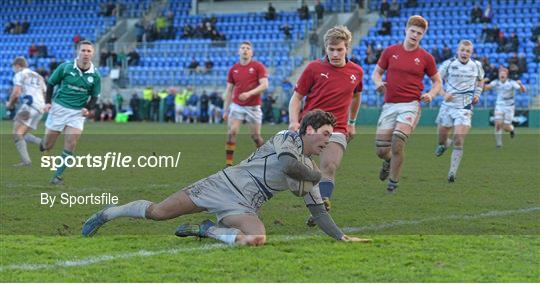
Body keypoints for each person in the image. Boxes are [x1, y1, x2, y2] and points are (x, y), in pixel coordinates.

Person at [82, 110, 370, 245]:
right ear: (309, 130)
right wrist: (317, 174)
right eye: (325, 135)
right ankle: (107, 214)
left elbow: (319, 211)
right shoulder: (287, 139)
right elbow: (287, 166)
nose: (327, 141)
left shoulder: (307, 167)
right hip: (222, 184)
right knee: (158, 213)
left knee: (257, 239)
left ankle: (207, 230)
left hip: (246, 206)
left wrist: (342, 237)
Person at [289, 25, 363, 226]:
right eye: (331, 49)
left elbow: (356, 96)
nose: (335, 54)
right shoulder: (313, 68)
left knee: (329, 166)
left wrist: (352, 122)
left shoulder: (357, 72)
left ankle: (320, 206)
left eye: (339, 49)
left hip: (337, 129)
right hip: (309, 127)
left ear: (347, 48)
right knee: (291, 171)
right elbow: (296, 98)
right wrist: (294, 121)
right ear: (325, 48)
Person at [371, 15, 441, 192]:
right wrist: (378, 84)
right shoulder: (390, 51)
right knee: (381, 150)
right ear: (406, 30)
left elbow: (437, 82)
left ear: (423, 35)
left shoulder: (426, 57)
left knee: (398, 140)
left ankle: (393, 182)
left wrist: (431, 94)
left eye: (419, 33)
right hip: (389, 105)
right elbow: (376, 73)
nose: (415, 35)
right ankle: (387, 161)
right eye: (413, 31)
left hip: (411, 104)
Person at [40, 40, 101, 184]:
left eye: (89, 51)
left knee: (71, 142)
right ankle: (43, 145)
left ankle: (57, 176)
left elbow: (95, 96)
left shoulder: (95, 75)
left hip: (77, 113)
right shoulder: (65, 67)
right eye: (83, 50)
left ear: (92, 54)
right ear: (78, 52)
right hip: (59, 109)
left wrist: (88, 108)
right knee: (48, 144)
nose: (86, 53)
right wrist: (48, 102)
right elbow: (51, 83)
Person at [434, 40, 484, 182]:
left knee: (458, 139)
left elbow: (480, 81)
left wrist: (477, 94)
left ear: (471, 53)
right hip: (448, 106)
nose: (464, 53)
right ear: (457, 51)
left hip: (464, 107)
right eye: (462, 50)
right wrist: (444, 94)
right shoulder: (448, 64)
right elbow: (436, 81)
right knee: (442, 139)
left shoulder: (476, 65)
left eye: (468, 51)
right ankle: (444, 145)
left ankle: (452, 173)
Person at [223, 41, 269, 166]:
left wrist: (249, 93)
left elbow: (265, 84)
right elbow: (229, 90)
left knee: (255, 137)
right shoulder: (234, 69)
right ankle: (228, 165)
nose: (245, 50)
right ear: (238, 51)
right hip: (237, 106)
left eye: (248, 48)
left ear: (251, 52)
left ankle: (266, 158)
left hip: (253, 107)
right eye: (243, 48)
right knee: (232, 131)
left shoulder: (258, 66)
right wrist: (225, 110)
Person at [5, 57, 46, 166]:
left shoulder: (20, 74)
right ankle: (41, 142)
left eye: (13, 67)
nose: (13, 69)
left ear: (17, 65)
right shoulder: (39, 76)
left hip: (29, 106)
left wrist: (10, 104)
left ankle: (26, 161)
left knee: (16, 133)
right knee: (22, 133)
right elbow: (44, 93)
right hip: (41, 108)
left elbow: (16, 92)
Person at [484, 66, 526, 148]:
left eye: (504, 73)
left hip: (509, 107)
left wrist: (521, 84)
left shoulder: (512, 83)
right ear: (499, 75)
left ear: (507, 75)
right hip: (499, 105)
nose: (502, 74)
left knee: (506, 127)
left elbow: (523, 91)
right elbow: (485, 88)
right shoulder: (496, 82)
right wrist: (482, 81)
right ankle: (499, 144)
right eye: (500, 73)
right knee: (498, 124)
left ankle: (512, 129)